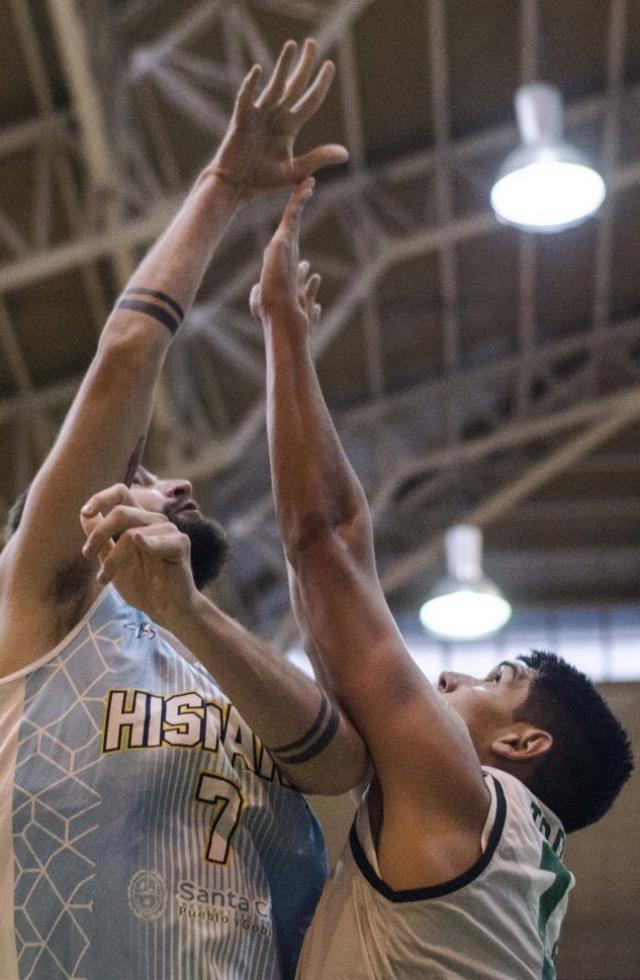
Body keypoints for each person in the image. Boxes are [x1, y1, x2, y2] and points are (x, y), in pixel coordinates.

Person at [0, 42, 368, 980]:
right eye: (146, 474)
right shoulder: (46, 608)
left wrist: (189, 613)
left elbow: (339, 764)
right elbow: (126, 355)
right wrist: (224, 186)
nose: (180, 486)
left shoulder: (211, 662)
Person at [249, 179, 634, 980]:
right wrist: (287, 337)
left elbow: (322, 545)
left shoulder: (467, 805)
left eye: (497, 679)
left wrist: (284, 331)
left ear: (521, 744)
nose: (452, 675)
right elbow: (334, 551)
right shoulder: (514, 865)